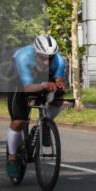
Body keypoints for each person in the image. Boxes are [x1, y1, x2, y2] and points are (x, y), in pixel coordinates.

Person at [7, 35, 68, 179]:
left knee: (58, 96)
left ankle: (45, 124)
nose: (47, 62)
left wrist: (58, 86)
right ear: (35, 53)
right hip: (20, 82)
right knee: (18, 122)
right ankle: (12, 158)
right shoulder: (23, 58)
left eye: (51, 58)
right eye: (42, 57)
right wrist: (43, 85)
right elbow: (27, 87)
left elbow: (57, 79)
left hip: (41, 78)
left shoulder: (59, 61)